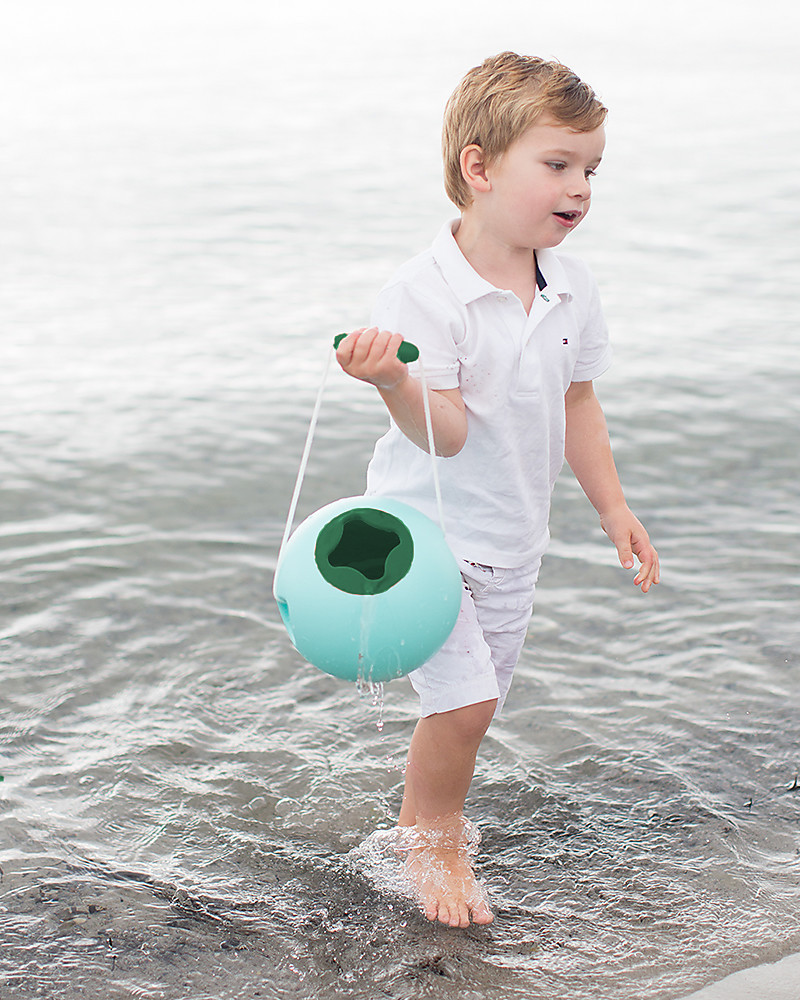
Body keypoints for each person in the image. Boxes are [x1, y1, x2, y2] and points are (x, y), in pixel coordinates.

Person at [335, 51, 659, 929]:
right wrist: (396, 384)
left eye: (591, 168)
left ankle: (412, 828)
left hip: (514, 537)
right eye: (557, 164)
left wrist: (612, 507)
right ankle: (435, 840)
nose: (581, 187)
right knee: (465, 702)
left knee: (471, 709)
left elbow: (577, 400)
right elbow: (447, 432)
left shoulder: (571, 285)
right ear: (478, 168)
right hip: (423, 538)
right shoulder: (424, 291)